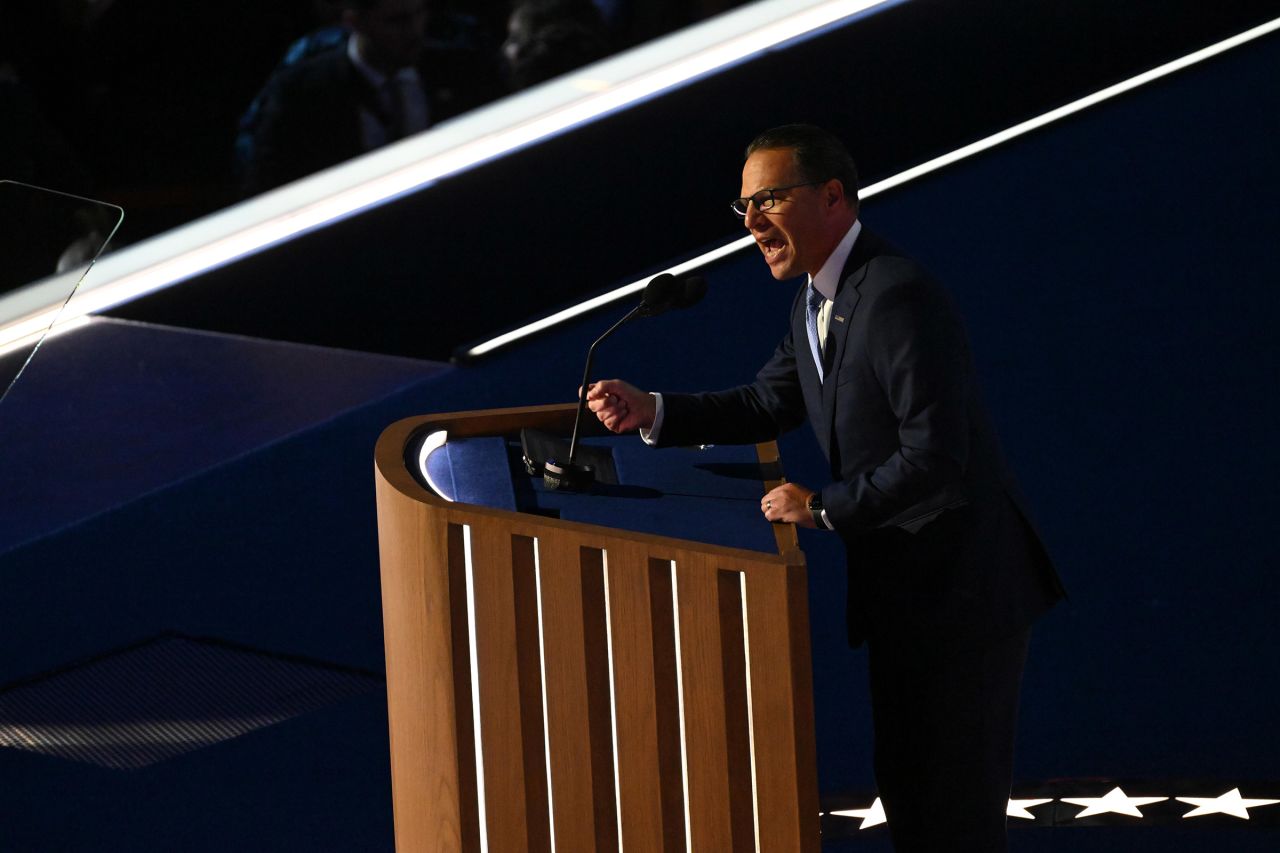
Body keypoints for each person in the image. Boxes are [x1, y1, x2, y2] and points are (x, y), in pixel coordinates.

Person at [587, 124, 1065, 852]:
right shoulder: (820, 296)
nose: (751, 222)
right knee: (914, 797)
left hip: (961, 593)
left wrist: (821, 507)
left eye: (770, 198)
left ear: (833, 196)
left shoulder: (895, 295)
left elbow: (935, 454)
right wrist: (654, 408)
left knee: (952, 810)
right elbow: (764, 402)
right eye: (744, 205)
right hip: (908, 592)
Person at [241, 0, 500, 195]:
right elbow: (268, 185)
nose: (415, 30)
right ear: (354, 22)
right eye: (396, 21)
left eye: (420, 14)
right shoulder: (300, 93)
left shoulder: (463, 71)